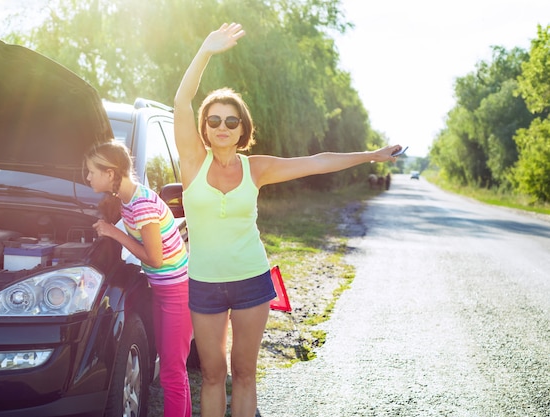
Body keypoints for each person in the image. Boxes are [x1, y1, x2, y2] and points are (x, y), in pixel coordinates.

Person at [173, 22, 402, 417]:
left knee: (244, 375)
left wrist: (370, 156)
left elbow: (317, 162)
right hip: (205, 285)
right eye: (214, 120)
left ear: (243, 128)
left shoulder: (256, 168)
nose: (222, 127)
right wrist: (206, 51)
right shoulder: (193, 162)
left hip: (251, 281)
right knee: (212, 376)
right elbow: (181, 101)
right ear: (204, 129)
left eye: (231, 121)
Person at [85, 141, 192, 417]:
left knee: (171, 372)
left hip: (178, 293)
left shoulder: (141, 203)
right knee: (174, 370)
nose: (87, 178)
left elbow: (155, 259)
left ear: (110, 173)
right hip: (162, 291)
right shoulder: (127, 201)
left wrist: (113, 232)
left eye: (91, 172)